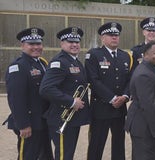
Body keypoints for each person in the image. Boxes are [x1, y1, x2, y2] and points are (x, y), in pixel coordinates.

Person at [39, 27, 90, 160]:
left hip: (72, 119)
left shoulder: (76, 61)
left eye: (77, 42)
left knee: (68, 154)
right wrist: (72, 102)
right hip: (61, 118)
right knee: (63, 155)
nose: (74, 45)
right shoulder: (59, 62)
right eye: (70, 42)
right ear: (62, 44)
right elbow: (46, 89)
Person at [4, 27, 53, 160]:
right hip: (30, 123)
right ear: (22, 46)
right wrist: (23, 124)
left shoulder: (42, 63)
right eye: (31, 44)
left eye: (38, 43)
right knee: (28, 155)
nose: (36, 47)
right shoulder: (18, 67)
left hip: (43, 121)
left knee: (46, 155)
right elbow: (16, 99)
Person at [85, 22, 132, 160]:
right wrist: (112, 98)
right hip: (101, 108)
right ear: (102, 38)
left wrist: (125, 96)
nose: (114, 38)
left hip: (120, 108)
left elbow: (129, 80)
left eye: (116, 35)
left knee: (119, 144)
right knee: (96, 144)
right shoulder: (94, 54)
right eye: (110, 35)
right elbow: (93, 80)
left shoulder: (125, 56)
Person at [125, 41, 155, 160]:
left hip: (146, 127)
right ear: (145, 55)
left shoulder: (150, 69)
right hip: (144, 128)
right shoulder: (145, 74)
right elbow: (148, 105)